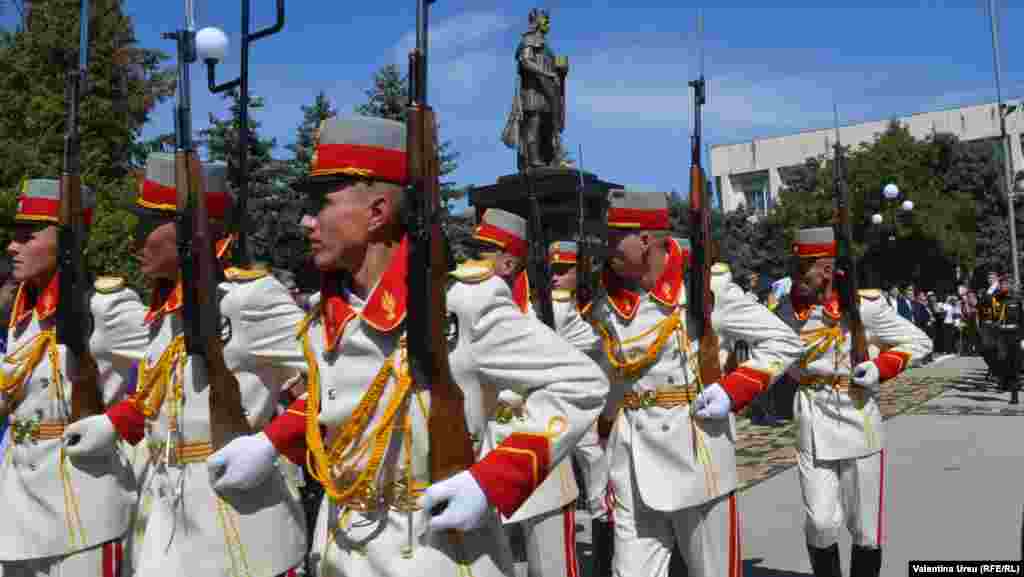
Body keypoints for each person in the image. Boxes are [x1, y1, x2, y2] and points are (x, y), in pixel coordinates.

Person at [199, 115, 609, 577]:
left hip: (436, 552)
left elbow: (580, 383)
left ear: (377, 212)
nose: (307, 221)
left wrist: (492, 479)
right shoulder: (324, 318)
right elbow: (344, 408)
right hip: (339, 548)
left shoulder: (460, 305)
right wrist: (270, 443)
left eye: (322, 203)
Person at [62, 153, 309, 577]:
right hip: (167, 508)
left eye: (147, 226)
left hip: (235, 514)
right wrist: (114, 423)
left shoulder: (247, 299)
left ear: (189, 232)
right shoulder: (164, 313)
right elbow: (160, 397)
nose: (134, 242)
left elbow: (330, 381)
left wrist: (271, 441)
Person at [582, 189, 802, 577]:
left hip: (697, 458)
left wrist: (733, 390)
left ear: (645, 239)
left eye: (615, 237)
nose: (606, 246)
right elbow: (606, 379)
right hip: (632, 461)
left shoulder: (703, 293)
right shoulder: (607, 305)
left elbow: (784, 341)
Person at [0, 178, 149, 576]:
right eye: (14, 236)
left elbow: (173, 371)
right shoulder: (22, 314)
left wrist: (119, 421)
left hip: (82, 502)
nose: (13, 246)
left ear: (67, 242)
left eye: (28, 236)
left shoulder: (106, 307)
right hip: (19, 500)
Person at [774, 227, 932, 577]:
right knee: (820, 522)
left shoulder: (865, 307)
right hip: (813, 417)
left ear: (827, 269)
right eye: (794, 266)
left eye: (803, 268)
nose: (795, 276)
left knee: (865, 529)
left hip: (858, 417)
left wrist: (879, 367)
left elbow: (920, 342)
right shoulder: (786, 311)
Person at [470, 213, 601, 577]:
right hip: (484, 458)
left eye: (483, 252)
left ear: (508, 262)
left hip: (540, 457)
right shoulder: (463, 308)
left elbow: (594, 357)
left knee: (552, 567)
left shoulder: (549, 310)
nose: (472, 259)